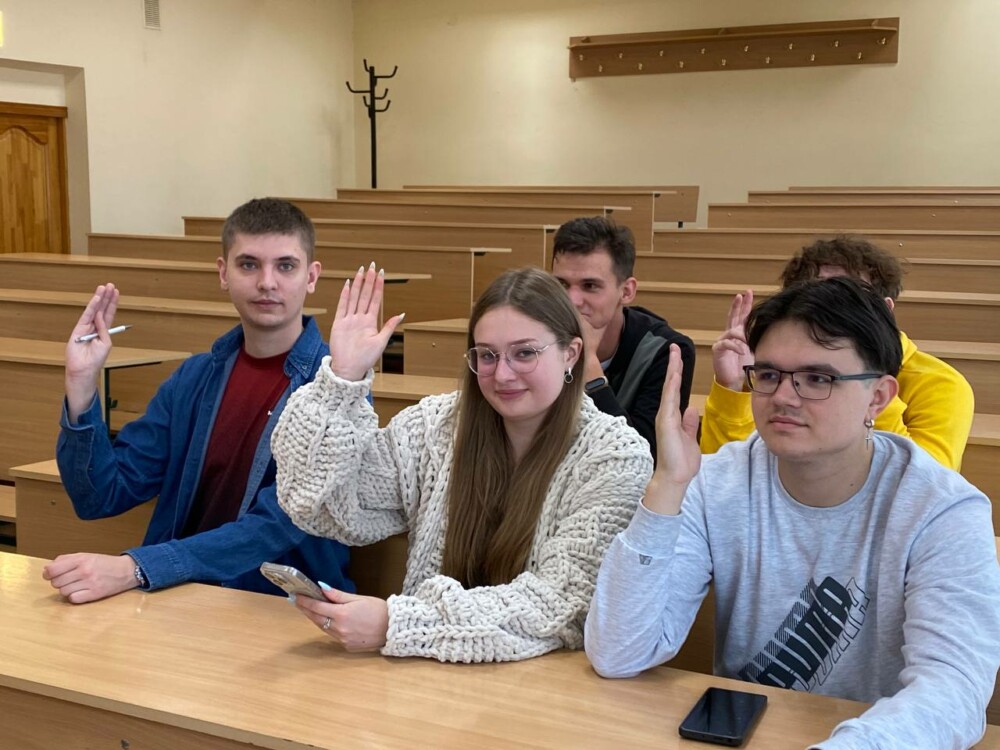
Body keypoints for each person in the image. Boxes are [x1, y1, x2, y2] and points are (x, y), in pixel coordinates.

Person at [585, 277, 1000, 749]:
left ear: (878, 397)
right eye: (768, 375)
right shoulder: (716, 482)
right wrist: (665, 488)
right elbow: (619, 652)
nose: (783, 396)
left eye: (818, 379)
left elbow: (954, 690)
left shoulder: (942, 510)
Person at [272, 266, 653, 662]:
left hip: (543, 681)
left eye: (524, 353)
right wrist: (342, 380)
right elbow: (319, 505)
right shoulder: (435, 428)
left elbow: (558, 607)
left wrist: (399, 623)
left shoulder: (614, 457)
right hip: (423, 672)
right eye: (487, 355)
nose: (502, 374)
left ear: (570, 353)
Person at [43, 198, 352, 603]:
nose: (267, 282)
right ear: (223, 273)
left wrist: (137, 567)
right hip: (177, 594)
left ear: (311, 276)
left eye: (285, 266)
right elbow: (100, 496)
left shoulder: (337, 390)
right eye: (248, 264)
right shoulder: (193, 378)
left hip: (280, 606)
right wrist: (81, 383)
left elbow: (274, 528)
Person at [700, 235, 974, 470]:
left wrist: (867, 378)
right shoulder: (771, 371)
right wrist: (732, 388)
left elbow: (924, 485)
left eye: (843, 303)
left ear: (884, 312)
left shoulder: (941, 384)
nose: (822, 315)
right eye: (811, 300)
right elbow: (724, 475)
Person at [551, 216, 695, 456]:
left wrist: (590, 368)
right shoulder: (535, 341)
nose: (571, 300)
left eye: (590, 286)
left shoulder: (666, 351)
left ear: (626, 292)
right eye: (562, 284)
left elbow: (644, 456)